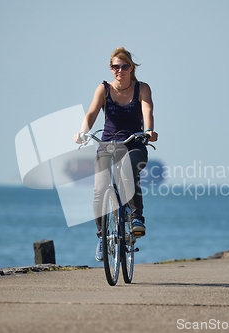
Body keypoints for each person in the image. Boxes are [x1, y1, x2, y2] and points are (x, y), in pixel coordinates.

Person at [74, 47, 158, 262]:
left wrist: (149, 131)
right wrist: (83, 132)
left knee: (129, 170)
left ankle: (136, 219)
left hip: (134, 143)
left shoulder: (142, 88)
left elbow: (147, 110)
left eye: (124, 66)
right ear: (110, 69)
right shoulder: (103, 89)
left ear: (131, 67)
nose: (119, 71)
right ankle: (103, 238)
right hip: (108, 144)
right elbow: (92, 112)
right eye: (115, 67)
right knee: (100, 188)